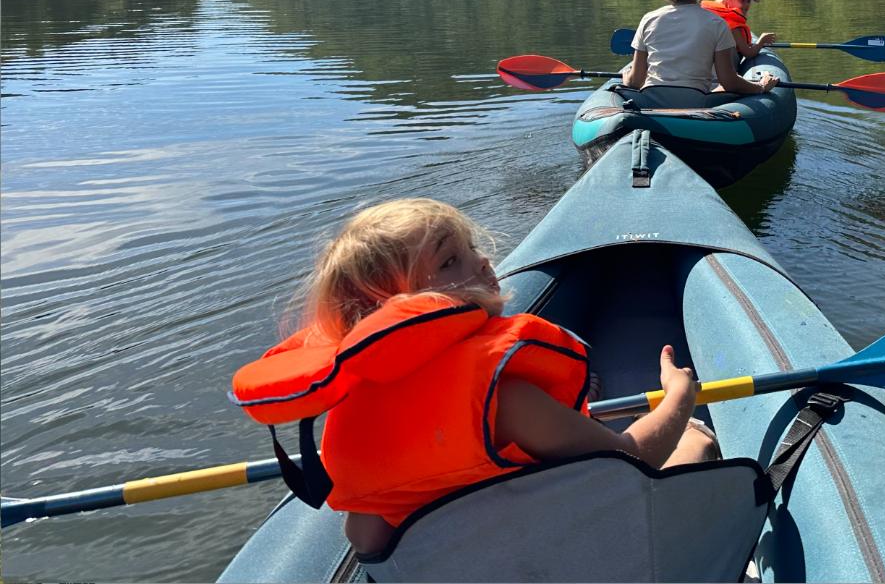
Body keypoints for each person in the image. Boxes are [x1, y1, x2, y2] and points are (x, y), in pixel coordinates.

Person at [231, 199, 715, 555]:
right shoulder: (503, 394)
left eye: (469, 248)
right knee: (696, 444)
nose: (481, 261)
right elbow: (630, 457)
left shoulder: (351, 407)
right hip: (563, 552)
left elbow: (367, 539)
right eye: (450, 260)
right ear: (392, 307)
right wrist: (677, 400)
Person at [622, 0, 779, 97]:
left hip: (652, 100)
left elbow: (635, 81)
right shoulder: (717, 24)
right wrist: (761, 87)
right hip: (695, 103)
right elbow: (730, 82)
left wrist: (625, 76)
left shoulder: (648, 19)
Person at [701, 0, 776, 63]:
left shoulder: (709, 16)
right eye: (742, 0)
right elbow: (748, 53)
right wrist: (761, 41)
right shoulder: (732, 27)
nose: (746, 5)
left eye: (748, 1)